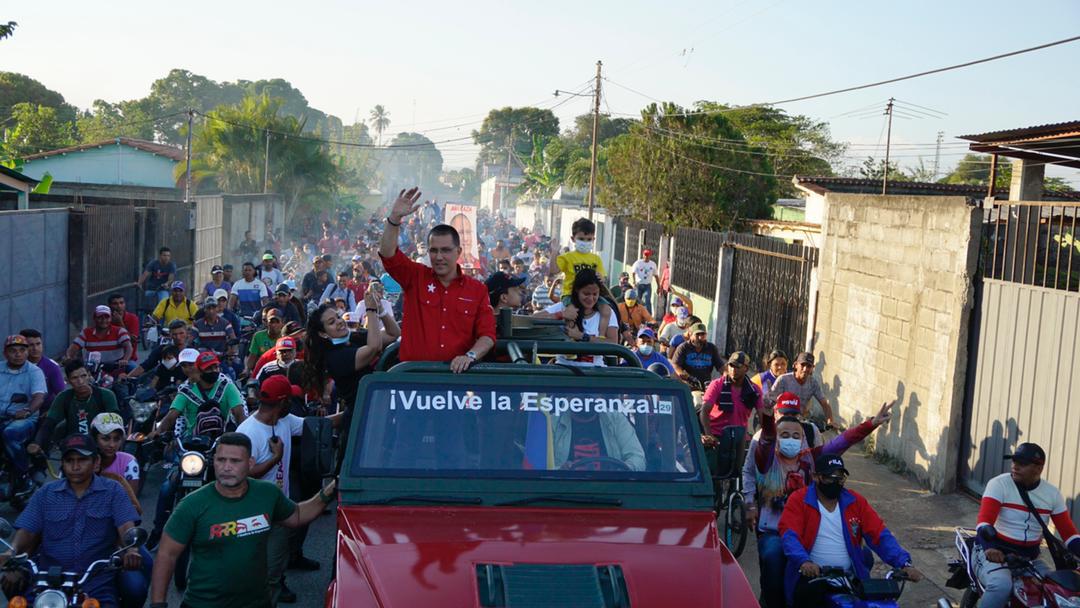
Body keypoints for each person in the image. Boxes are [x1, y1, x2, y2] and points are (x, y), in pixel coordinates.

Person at [149, 432, 336, 608]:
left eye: (235, 461)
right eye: (221, 460)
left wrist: (330, 490)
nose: (227, 467)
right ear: (213, 462)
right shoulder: (192, 505)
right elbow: (166, 555)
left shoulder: (267, 494)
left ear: (250, 463)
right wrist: (158, 604)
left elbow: (297, 516)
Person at [744, 400, 895, 608]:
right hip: (775, 531)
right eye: (784, 435)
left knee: (862, 557)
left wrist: (871, 424)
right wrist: (768, 414)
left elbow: (841, 442)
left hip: (808, 528)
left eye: (796, 436)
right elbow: (767, 438)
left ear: (804, 440)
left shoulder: (810, 459)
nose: (790, 439)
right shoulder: (766, 460)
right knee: (774, 556)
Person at [0, 434, 142, 607]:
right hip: (45, 579)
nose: (75, 466)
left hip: (95, 580)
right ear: (63, 464)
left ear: (96, 462)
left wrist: (131, 550)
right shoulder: (46, 493)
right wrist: (11, 552)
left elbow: (126, 526)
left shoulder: (113, 491)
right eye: (69, 460)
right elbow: (27, 530)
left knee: (132, 590)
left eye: (82, 460)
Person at [237, 376, 345, 603]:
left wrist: (353, 412)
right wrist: (275, 458)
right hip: (253, 514)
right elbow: (244, 472)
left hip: (279, 511)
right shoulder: (248, 432)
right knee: (251, 573)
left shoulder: (285, 421)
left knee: (273, 570)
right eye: (291, 398)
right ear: (283, 401)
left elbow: (320, 425)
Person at [779, 453, 923, 607]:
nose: (835, 482)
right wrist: (804, 561)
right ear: (816, 477)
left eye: (840, 477)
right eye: (830, 477)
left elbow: (880, 535)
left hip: (849, 578)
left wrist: (904, 563)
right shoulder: (799, 500)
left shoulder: (855, 502)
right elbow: (789, 535)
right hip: (814, 578)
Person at [379, 187, 496, 371]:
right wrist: (394, 218)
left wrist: (470, 356)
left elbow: (488, 335)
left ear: (458, 252)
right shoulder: (415, 276)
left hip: (454, 384)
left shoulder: (477, 290)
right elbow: (387, 254)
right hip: (411, 379)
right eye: (434, 250)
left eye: (446, 250)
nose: (439, 256)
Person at [972, 443, 1080, 608]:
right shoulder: (999, 484)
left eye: (1022, 464)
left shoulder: (1052, 494)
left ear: (1038, 468)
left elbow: (1070, 535)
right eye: (1014, 462)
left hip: (1029, 557)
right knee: (1001, 586)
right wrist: (990, 547)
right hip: (993, 551)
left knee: (1056, 590)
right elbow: (984, 522)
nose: (1015, 467)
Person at [301, 299, 383, 416]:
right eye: (331, 322)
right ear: (323, 333)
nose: (339, 322)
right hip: (365, 420)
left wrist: (382, 309)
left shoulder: (353, 338)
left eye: (338, 317)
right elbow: (374, 347)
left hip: (376, 410)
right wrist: (371, 310)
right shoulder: (335, 357)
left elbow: (392, 334)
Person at [29, 359, 121, 456]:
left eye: (83, 376)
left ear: (89, 375)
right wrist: (36, 443)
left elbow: (115, 424)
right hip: (73, 445)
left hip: (101, 446)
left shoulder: (106, 395)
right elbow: (49, 423)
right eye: (74, 378)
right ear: (67, 381)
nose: (80, 381)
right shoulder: (63, 397)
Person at [534, 269, 619, 366]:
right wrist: (560, 314)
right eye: (586, 294)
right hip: (564, 370)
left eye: (595, 294)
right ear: (577, 290)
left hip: (595, 372)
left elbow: (613, 343)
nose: (591, 299)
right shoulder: (564, 306)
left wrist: (582, 336)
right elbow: (531, 319)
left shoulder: (606, 311)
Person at [0, 335, 47, 487]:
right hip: (2, 416)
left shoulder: (34, 371)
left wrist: (27, 410)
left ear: (27, 353)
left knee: (10, 434)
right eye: (13, 351)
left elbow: (39, 397)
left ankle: (23, 473)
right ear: (5, 353)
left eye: (22, 350)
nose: (18, 354)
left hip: (23, 418)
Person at [553, 410, 646, 471]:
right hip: (565, 493)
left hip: (612, 493)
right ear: (569, 394)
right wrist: (560, 470)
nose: (586, 396)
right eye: (580, 392)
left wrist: (623, 470)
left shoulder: (616, 420)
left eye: (591, 392)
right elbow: (540, 466)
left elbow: (637, 458)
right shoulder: (552, 423)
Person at [766, 352, 836, 429]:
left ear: (813, 368)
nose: (805, 369)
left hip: (800, 422)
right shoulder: (783, 380)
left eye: (809, 366)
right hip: (782, 420)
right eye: (802, 365)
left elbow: (825, 404)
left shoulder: (813, 383)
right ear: (796, 365)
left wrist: (830, 421)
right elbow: (770, 402)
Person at [700, 351, 763, 437]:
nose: (733, 370)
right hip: (717, 435)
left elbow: (762, 416)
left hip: (740, 437)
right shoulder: (717, 385)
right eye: (731, 365)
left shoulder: (754, 390)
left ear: (746, 369)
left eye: (738, 367)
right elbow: (704, 411)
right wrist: (709, 435)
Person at [66, 305, 134, 369]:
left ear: (111, 318)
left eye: (107, 317)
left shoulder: (120, 331)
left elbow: (128, 347)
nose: (103, 320)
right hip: (93, 369)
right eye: (100, 317)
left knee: (133, 368)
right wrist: (68, 357)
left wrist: (125, 360)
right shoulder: (86, 332)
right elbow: (73, 348)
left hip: (116, 367)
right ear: (94, 318)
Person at [91, 412, 142, 495]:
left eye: (117, 439)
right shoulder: (85, 460)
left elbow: (130, 501)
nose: (112, 445)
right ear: (95, 439)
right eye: (105, 439)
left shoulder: (128, 462)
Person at [18, 328, 64, 412]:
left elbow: (62, 396)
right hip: (16, 409)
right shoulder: (15, 365)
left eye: (38, 344)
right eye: (30, 345)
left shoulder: (52, 367)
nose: (35, 348)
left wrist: (51, 412)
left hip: (44, 411)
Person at [247, 308, 286, 375]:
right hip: (263, 372)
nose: (274, 325)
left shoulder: (285, 338)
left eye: (277, 321)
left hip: (281, 371)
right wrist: (247, 370)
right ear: (267, 322)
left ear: (282, 323)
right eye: (271, 321)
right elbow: (252, 357)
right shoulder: (258, 336)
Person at [108, 293, 141, 358]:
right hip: (110, 357)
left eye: (121, 303)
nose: (119, 306)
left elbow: (132, 342)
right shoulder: (106, 319)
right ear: (109, 305)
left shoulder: (133, 318)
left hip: (128, 359)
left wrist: (120, 323)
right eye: (115, 304)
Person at [631, 249, 659, 314]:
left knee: (647, 300)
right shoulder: (638, 263)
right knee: (638, 300)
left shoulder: (653, 264)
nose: (646, 257)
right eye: (645, 255)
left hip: (647, 285)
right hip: (639, 285)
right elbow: (633, 273)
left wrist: (659, 286)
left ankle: (649, 317)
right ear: (643, 255)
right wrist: (634, 282)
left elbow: (656, 276)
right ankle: (635, 314)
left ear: (650, 256)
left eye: (648, 255)